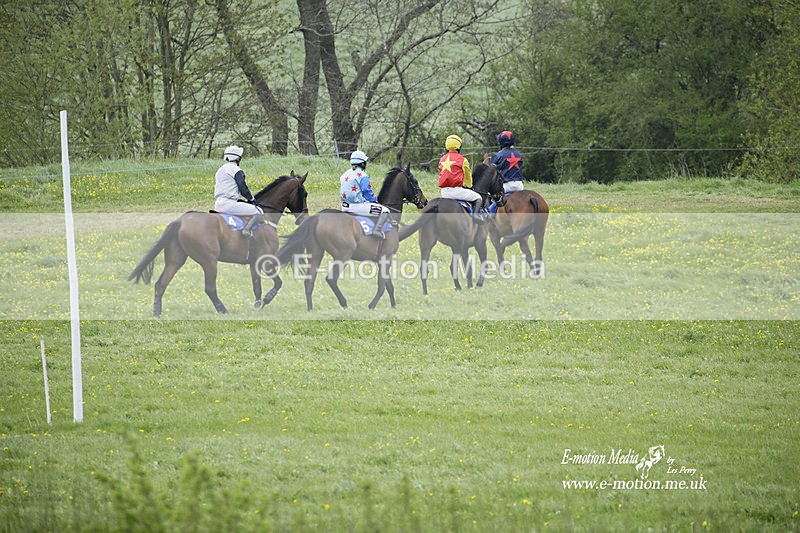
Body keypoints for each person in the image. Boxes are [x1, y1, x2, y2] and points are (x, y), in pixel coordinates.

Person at [214, 145, 263, 238]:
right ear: (238, 158)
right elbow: (243, 189)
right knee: (258, 211)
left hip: (218, 203)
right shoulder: (236, 170)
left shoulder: (220, 170)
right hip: (229, 204)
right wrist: (251, 199)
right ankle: (247, 230)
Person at [340, 150, 391, 239]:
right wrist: (375, 201)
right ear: (362, 163)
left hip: (344, 206)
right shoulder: (363, 175)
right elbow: (367, 193)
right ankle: (377, 230)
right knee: (385, 210)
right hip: (357, 207)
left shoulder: (344, 174)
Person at [438, 134, 485, 220]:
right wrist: (469, 185)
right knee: (478, 197)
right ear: (459, 146)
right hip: (457, 191)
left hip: (444, 192)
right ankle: (475, 215)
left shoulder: (442, 159)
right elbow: (468, 176)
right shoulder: (463, 160)